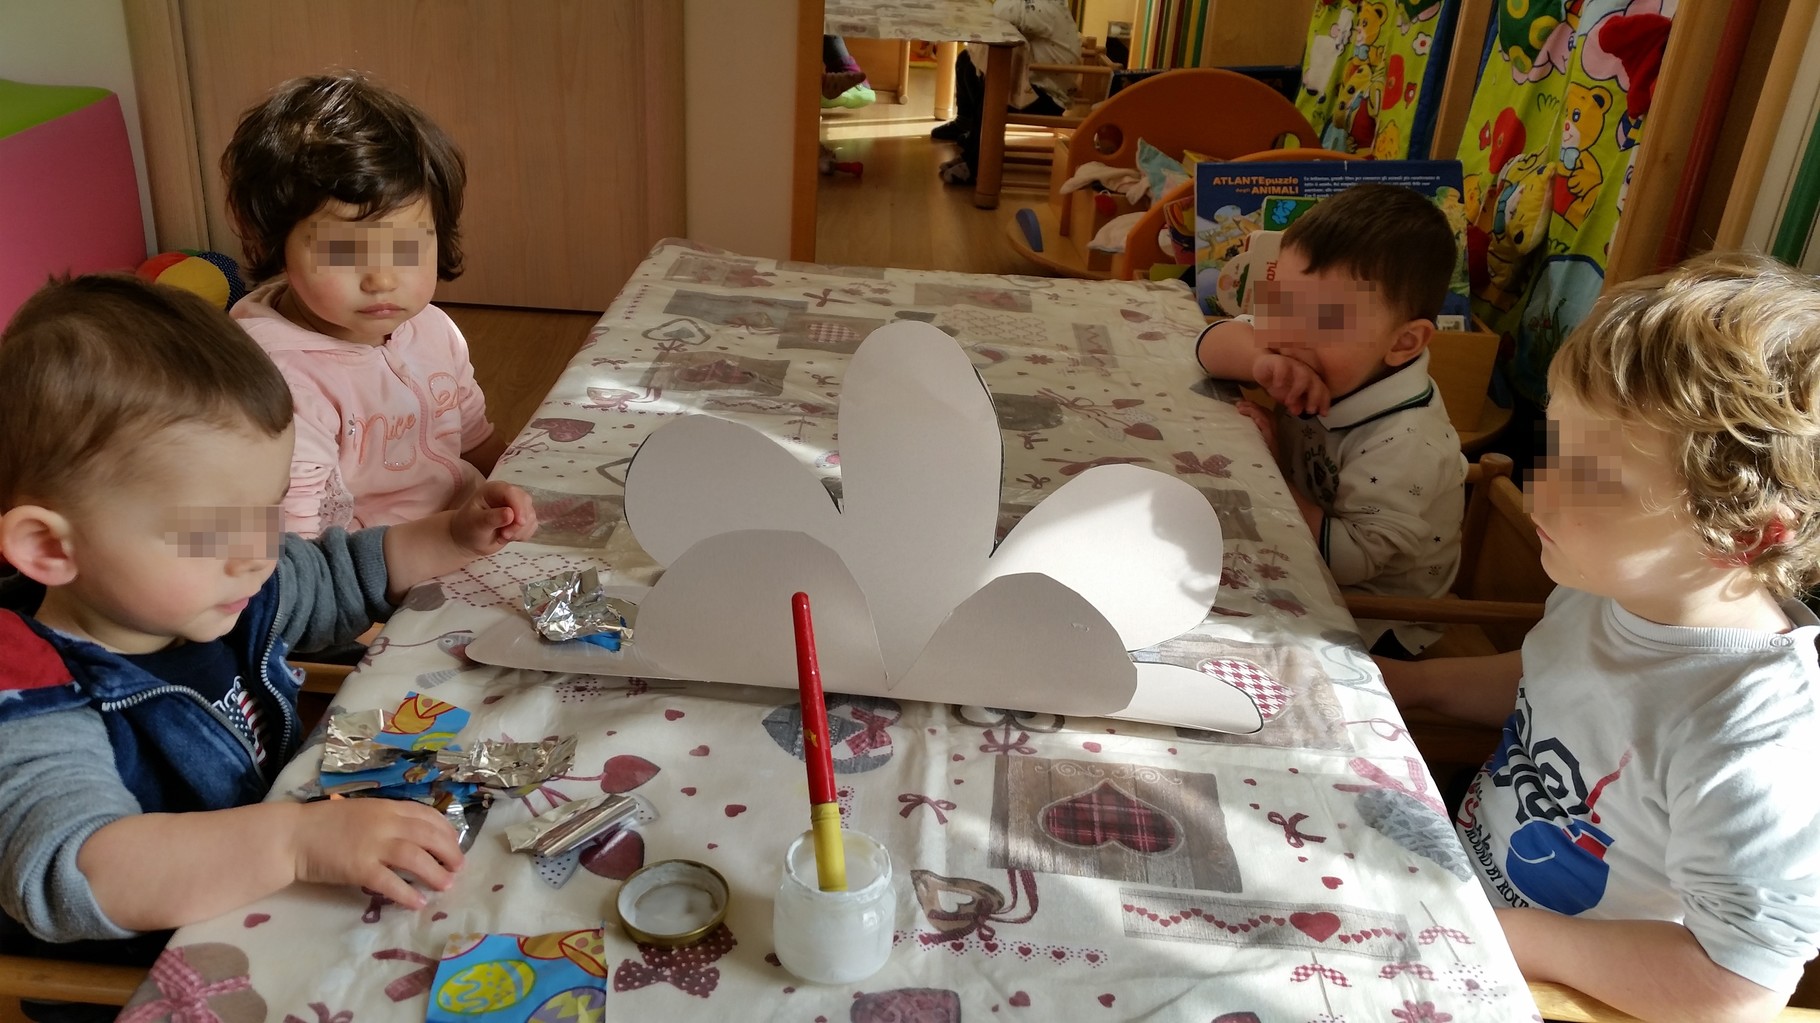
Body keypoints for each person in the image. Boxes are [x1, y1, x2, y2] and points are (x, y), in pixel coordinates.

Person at [0, 276, 539, 1015]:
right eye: (209, 530)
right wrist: (293, 842)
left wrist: (449, 534)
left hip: (282, 883)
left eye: (267, 509)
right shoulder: (29, 700)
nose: (257, 551)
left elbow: (336, 575)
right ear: (48, 548)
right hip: (159, 979)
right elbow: (75, 871)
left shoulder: (219, 582)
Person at [1378, 252, 1820, 1022]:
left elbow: (1738, 986)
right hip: (1450, 890)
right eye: (1555, 445)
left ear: (1746, 535)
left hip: (1529, 987)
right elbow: (1552, 681)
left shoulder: (1758, 740)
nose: (1541, 487)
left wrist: (1500, 934)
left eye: (1601, 480)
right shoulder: (1607, 587)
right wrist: (1413, 684)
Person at [221, 72, 504, 539]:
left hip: (462, 527)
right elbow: (298, 546)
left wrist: (520, 491)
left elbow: (475, 438)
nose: (382, 280)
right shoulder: (279, 381)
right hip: (364, 564)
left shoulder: (433, 330)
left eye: (407, 247)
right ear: (270, 241)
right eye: (343, 252)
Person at [1196, 183, 1466, 656]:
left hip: (1378, 616)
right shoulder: (1303, 346)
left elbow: (1352, 561)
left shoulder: (1408, 440)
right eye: (1282, 303)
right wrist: (1259, 361)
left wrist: (1275, 473)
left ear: (1403, 343)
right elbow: (1209, 347)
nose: (1285, 334)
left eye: (1325, 321)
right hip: (1308, 546)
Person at [935, 0, 1081, 185]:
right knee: (968, 61)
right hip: (1033, 84)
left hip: (1049, 96)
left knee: (992, 92)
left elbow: (1004, 11)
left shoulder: (1045, 7)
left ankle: (976, 163)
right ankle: (968, 128)